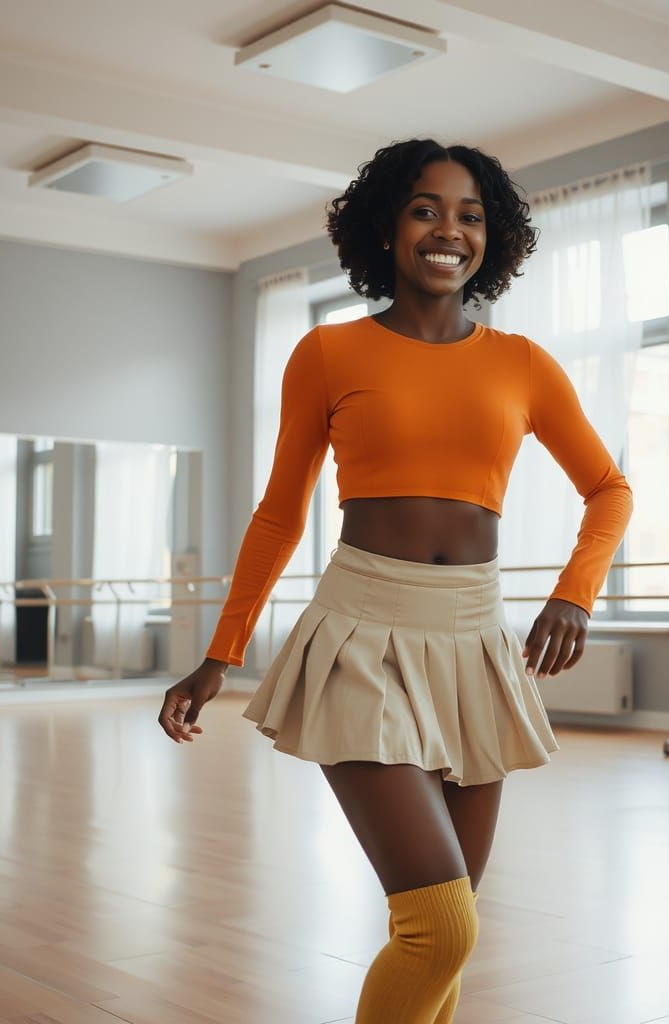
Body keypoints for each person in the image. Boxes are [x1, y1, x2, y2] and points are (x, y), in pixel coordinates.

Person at [158, 138, 634, 1022]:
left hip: (478, 642)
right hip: (363, 633)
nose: (449, 231)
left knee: (448, 929)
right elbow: (278, 515)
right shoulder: (328, 353)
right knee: (440, 927)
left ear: (494, 236)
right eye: (426, 209)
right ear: (386, 227)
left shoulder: (523, 363)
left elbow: (609, 489)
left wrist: (576, 590)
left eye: (470, 215)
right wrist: (221, 653)